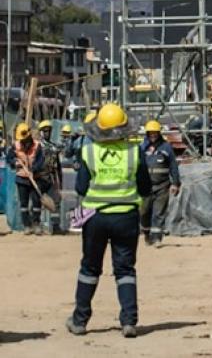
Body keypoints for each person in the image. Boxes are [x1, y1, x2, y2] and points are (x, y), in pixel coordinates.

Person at [66, 102, 151, 339]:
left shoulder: (89, 151)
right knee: (125, 269)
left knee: (89, 268)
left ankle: (80, 320)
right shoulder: (135, 152)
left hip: (95, 217)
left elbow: (81, 186)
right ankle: (129, 321)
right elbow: (145, 187)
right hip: (126, 216)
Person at [139, 120, 180, 246]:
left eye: (155, 133)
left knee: (159, 213)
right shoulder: (141, 147)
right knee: (144, 212)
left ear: (159, 133)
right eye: (150, 133)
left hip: (162, 186)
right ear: (147, 133)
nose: (153, 135)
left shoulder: (166, 147)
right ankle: (146, 234)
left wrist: (176, 183)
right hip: (145, 187)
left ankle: (157, 238)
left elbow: (173, 165)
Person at [4, 123, 45, 233]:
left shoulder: (37, 145)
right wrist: (15, 162)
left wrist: (34, 169)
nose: (23, 142)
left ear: (29, 136)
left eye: (25, 139)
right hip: (21, 178)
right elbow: (9, 158)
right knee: (24, 204)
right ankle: (27, 225)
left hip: (35, 178)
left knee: (37, 202)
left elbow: (41, 161)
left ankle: (36, 224)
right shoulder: (16, 145)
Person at [36, 120, 63, 235]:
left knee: (55, 202)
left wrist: (60, 181)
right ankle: (37, 226)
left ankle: (56, 226)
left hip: (51, 178)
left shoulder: (54, 147)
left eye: (49, 131)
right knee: (36, 203)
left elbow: (58, 165)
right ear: (41, 132)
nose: (47, 133)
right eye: (45, 131)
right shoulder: (37, 146)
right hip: (39, 177)